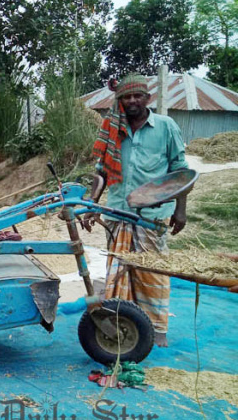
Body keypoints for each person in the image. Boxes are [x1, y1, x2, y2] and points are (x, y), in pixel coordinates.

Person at [82, 73, 189, 348]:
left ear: (147, 98)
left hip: (153, 215)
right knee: (118, 272)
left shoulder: (165, 126)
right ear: (120, 101)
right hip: (117, 213)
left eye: (136, 96)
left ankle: (157, 328)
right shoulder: (113, 129)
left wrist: (181, 210)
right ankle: (122, 321)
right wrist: (92, 205)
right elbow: (101, 172)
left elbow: (180, 172)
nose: (131, 101)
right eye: (126, 97)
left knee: (152, 273)